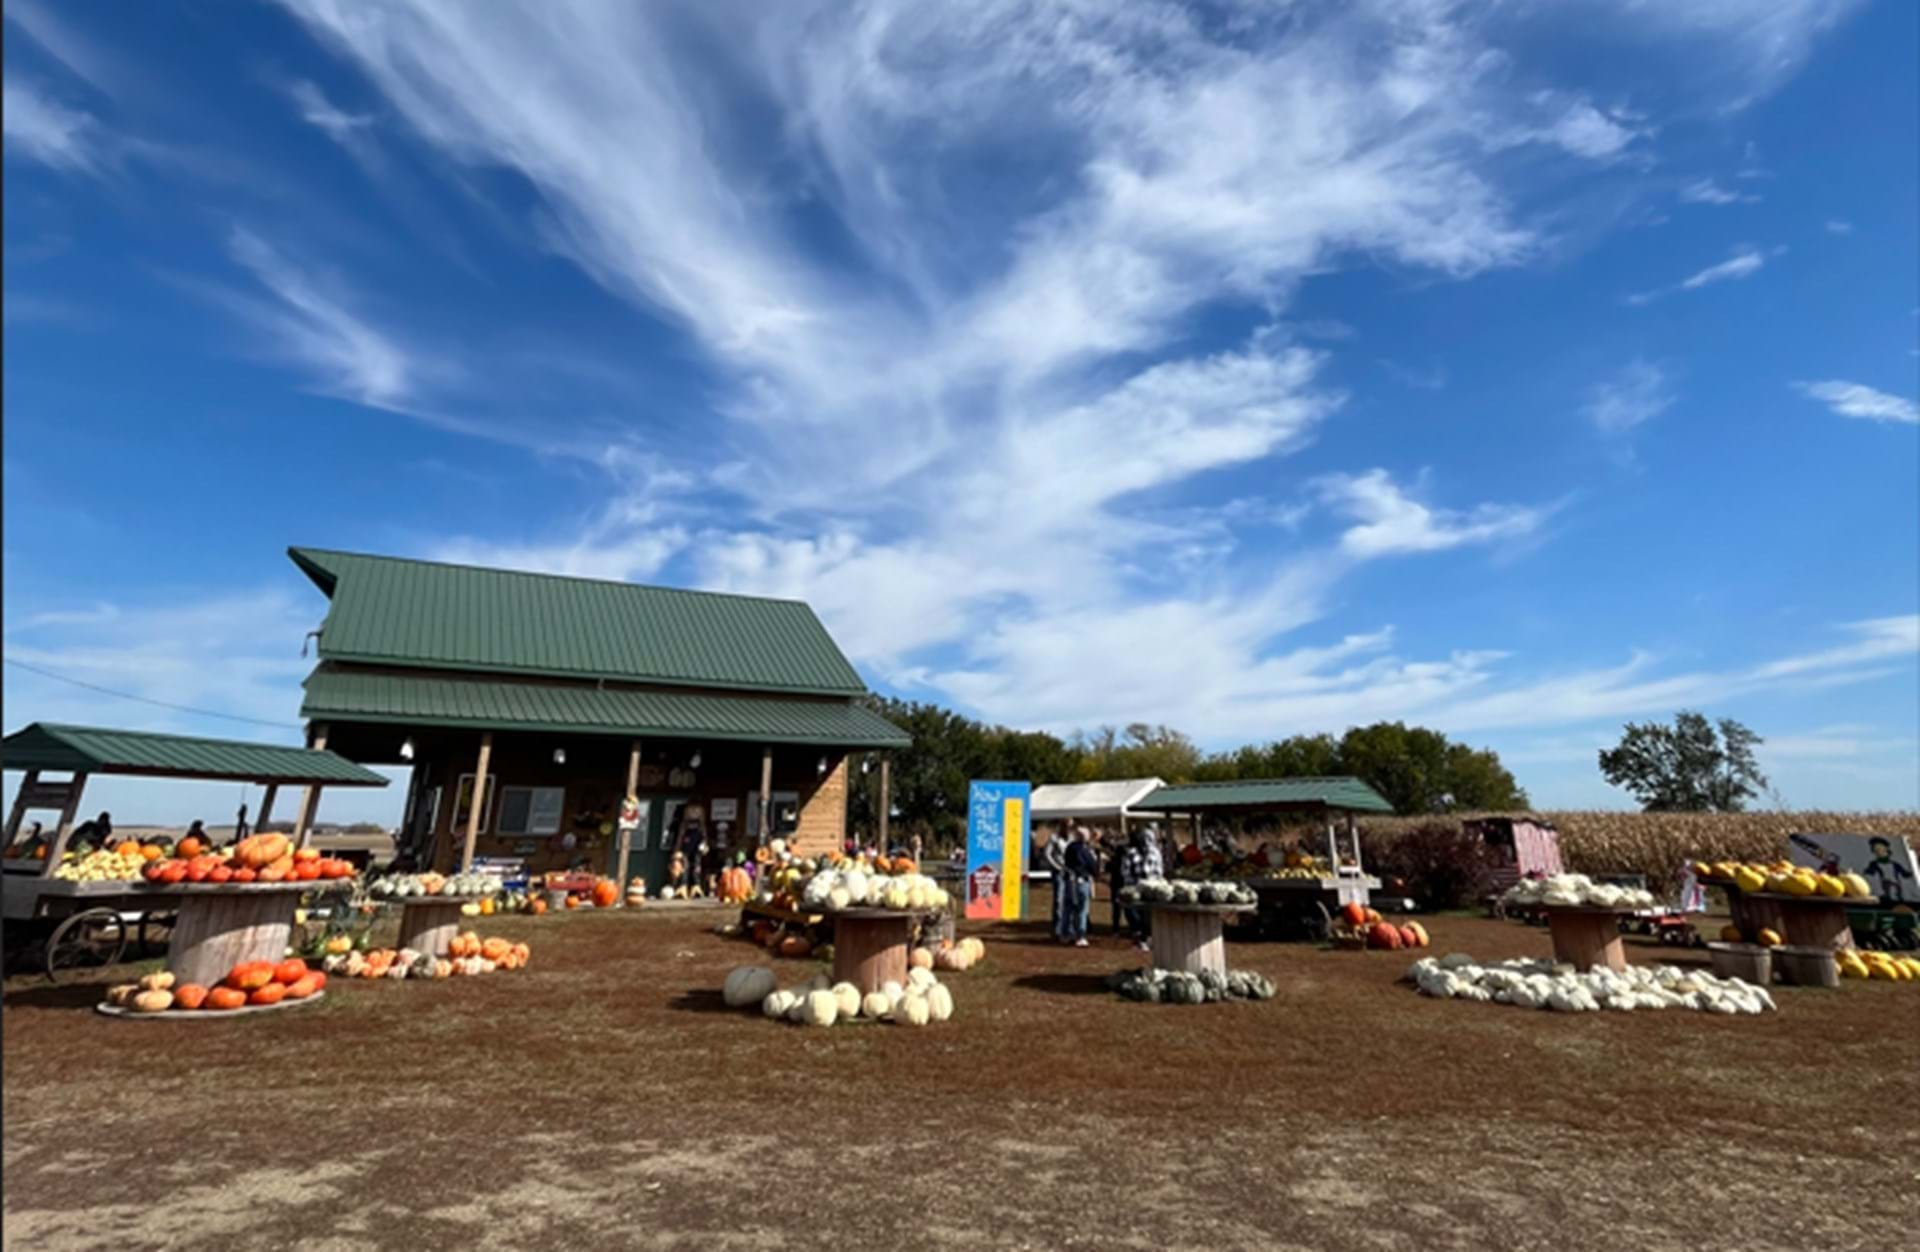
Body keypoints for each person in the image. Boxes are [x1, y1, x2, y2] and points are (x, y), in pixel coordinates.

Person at [1121, 824, 1165, 950]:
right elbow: (1126, 871)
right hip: (1137, 887)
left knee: (1146, 914)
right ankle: (1141, 939)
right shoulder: (1132, 853)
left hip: (1149, 887)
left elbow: (1159, 870)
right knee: (1135, 913)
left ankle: (1147, 938)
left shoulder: (1154, 852)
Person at [1063, 825, 1099, 947]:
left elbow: (1066, 861)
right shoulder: (1084, 850)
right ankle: (1080, 935)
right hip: (1081, 881)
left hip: (1069, 880)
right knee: (1082, 909)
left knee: (1068, 908)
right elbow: (1092, 866)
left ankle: (1065, 933)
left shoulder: (1069, 848)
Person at [1042, 826, 1069, 943]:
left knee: (1070, 901)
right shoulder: (1054, 839)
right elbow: (1047, 854)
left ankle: (1068, 928)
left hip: (1070, 872)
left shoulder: (1072, 838)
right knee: (1059, 900)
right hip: (1059, 872)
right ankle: (1057, 930)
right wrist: (1057, 867)